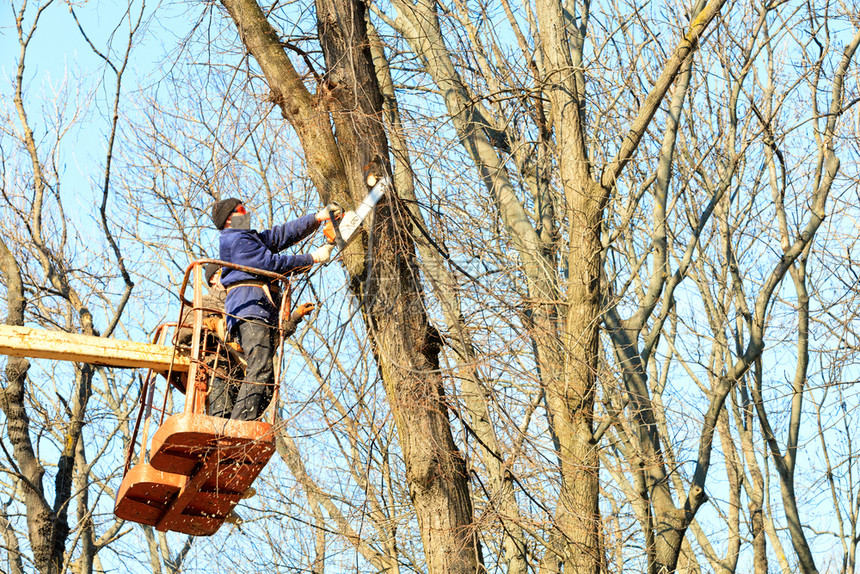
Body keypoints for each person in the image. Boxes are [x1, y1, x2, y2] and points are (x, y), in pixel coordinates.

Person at [211, 198, 339, 421]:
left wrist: (317, 218)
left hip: (259, 310)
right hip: (250, 309)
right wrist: (313, 257)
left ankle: (240, 425)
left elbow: (280, 235)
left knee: (267, 382)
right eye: (242, 210)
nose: (247, 211)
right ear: (229, 219)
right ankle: (238, 427)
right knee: (260, 368)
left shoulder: (247, 238)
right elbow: (269, 263)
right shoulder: (235, 238)